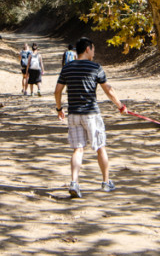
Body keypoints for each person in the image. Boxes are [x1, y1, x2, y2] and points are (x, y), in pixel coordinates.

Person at [54, 37, 127, 198]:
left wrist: (59, 109)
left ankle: (74, 182)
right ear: (87, 49)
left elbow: (57, 90)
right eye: (93, 49)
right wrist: (120, 106)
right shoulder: (95, 67)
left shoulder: (67, 68)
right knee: (100, 147)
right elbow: (108, 90)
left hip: (73, 114)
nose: (94, 52)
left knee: (78, 149)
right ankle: (106, 182)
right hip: (91, 114)